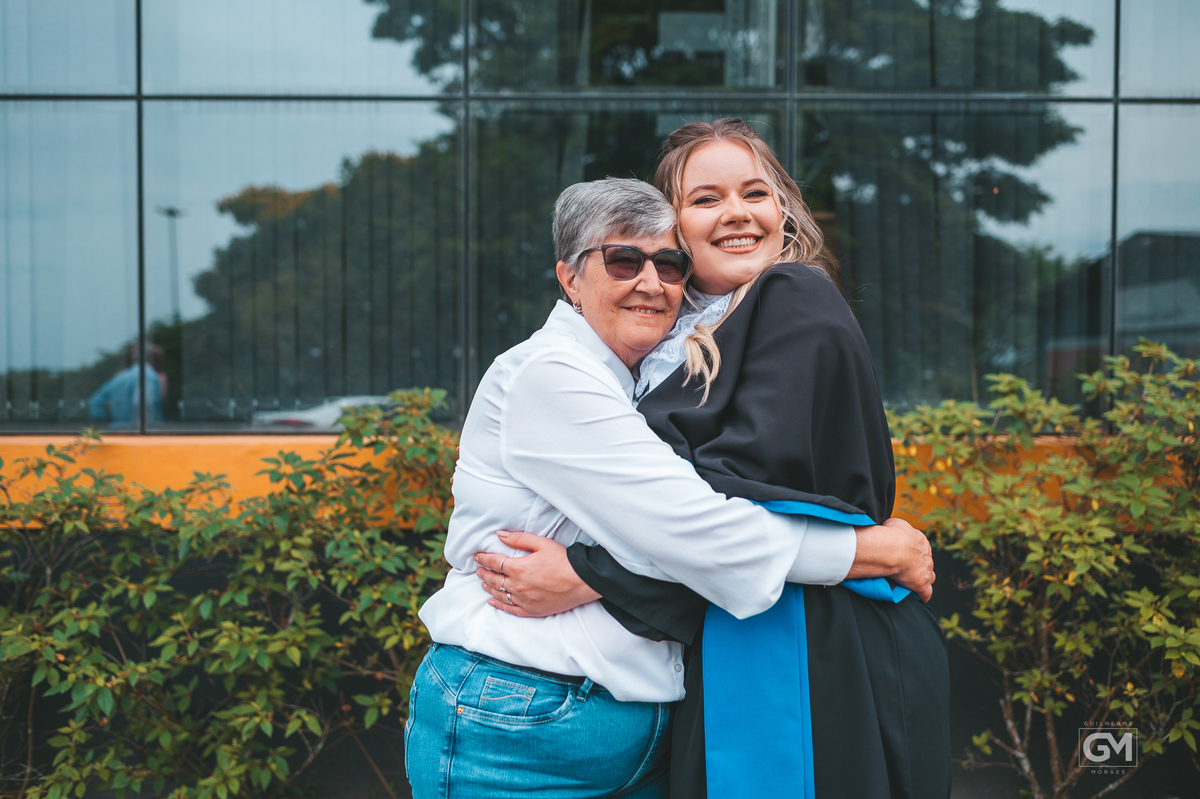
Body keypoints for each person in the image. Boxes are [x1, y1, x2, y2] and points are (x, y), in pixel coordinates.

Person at [404, 177, 934, 798]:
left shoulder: (641, 382)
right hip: (518, 718)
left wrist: (588, 574)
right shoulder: (549, 375)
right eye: (623, 260)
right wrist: (872, 552)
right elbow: (696, 532)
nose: (651, 283)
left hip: (636, 728)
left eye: (670, 264)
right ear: (570, 278)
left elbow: (666, 543)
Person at [88, 342, 165, 429]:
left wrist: (101, 426)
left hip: (117, 431)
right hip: (139, 432)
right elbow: (142, 402)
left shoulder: (120, 376)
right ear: (153, 359)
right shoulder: (149, 375)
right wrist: (145, 428)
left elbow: (95, 401)